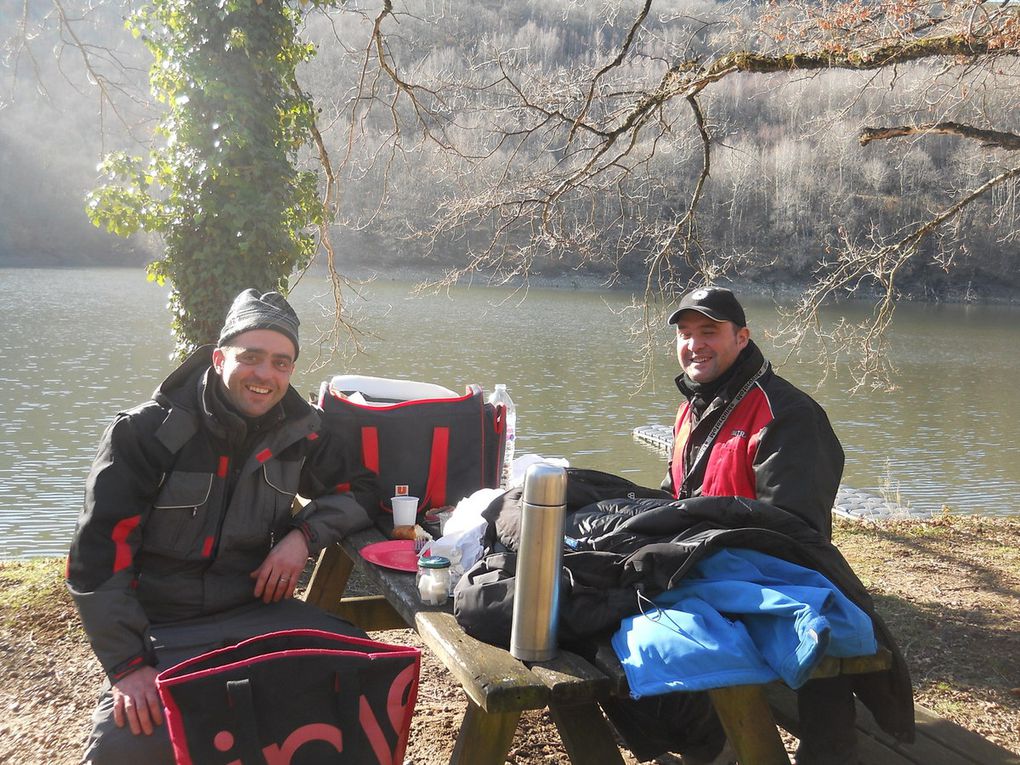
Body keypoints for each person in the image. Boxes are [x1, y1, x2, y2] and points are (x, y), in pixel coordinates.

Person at [67, 289, 373, 764]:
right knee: (127, 744)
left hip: (256, 612)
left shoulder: (302, 430)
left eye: (281, 363)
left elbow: (359, 492)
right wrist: (127, 666)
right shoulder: (144, 433)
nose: (265, 375)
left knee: (360, 670)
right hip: (163, 626)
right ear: (218, 357)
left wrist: (302, 536)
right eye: (251, 357)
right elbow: (96, 560)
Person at [663, 285, 856, 764]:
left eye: (709, 331)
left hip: (773, 583)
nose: (695, 344)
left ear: (742, 337)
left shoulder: (787, 415)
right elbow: (676, 495)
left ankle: (732, 747)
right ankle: (706, 744)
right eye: (686, 334)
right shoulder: (694, 406)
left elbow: (795, 534)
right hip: (706, 571)